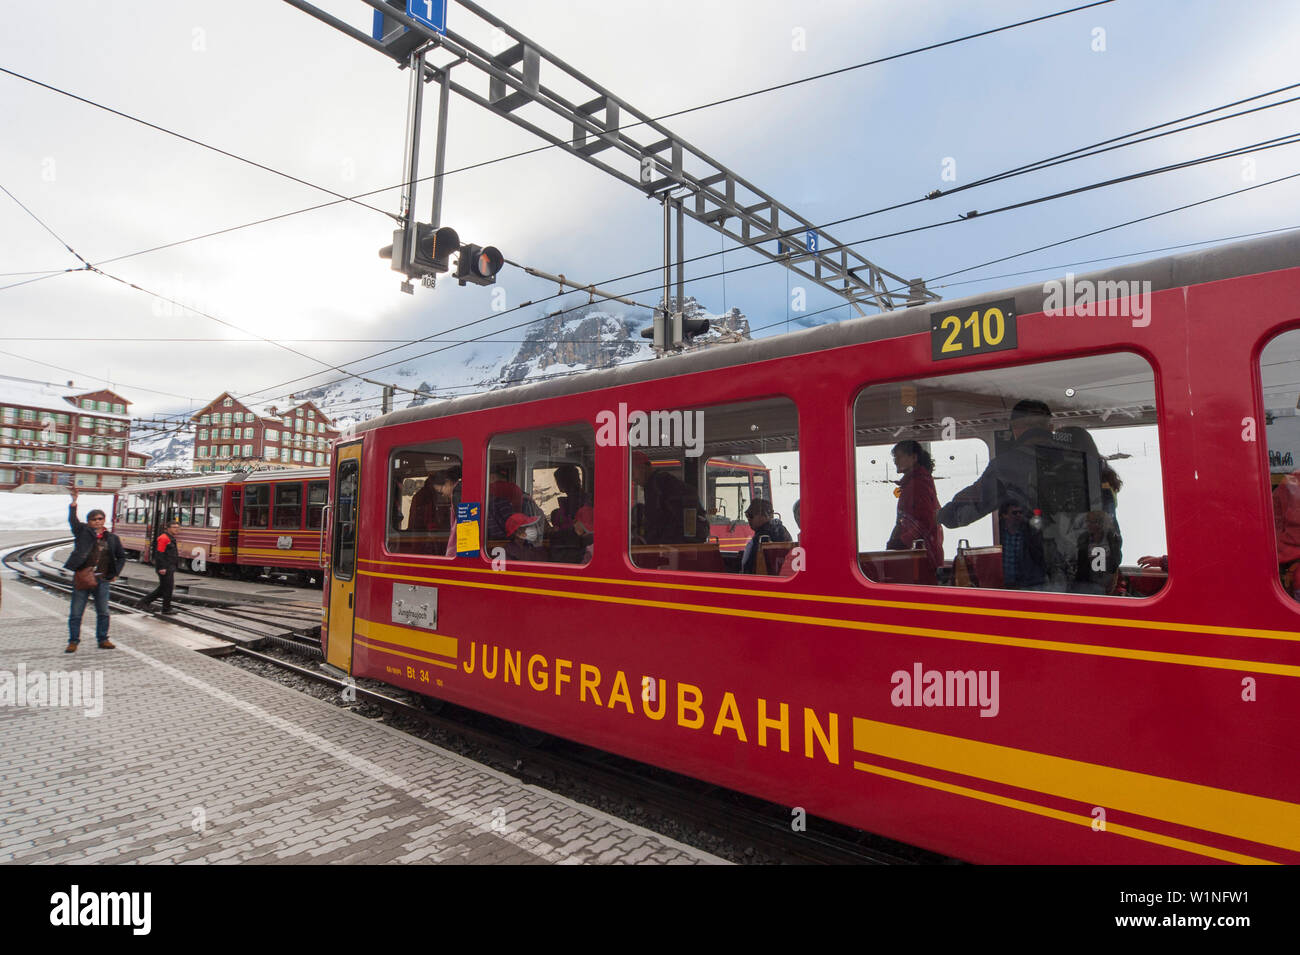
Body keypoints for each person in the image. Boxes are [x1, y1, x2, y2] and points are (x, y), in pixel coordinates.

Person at [939, 400, 1103, 589]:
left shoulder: (1007, 465)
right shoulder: (1086, 461)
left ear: (1015, 428)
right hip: (1087, 576)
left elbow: (970, 507)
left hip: (1040, 576)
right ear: (1050, 427)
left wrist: (943, 515)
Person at [64, 486, 126, 652]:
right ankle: (73, 641)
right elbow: (73, 521)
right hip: (83, 577)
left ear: (104, 520)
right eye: (94, 519)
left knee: (104, 612)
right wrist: (74, 503)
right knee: (76, 612)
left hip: (102, 579)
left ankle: (103, 639)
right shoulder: (82, 532)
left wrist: (115, 573)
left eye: (100, 519)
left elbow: (121, 556)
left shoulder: (112, 538)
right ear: (89, 522)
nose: (97, 521)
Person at [885, 440, 943, 577]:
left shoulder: (918, 484)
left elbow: (926, 521)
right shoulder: (914, 483)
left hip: (921, 557)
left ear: (914, 458)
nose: (896, 461)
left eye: (899, 456)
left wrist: (901, 542)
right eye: (895, 457)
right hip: (918, 554)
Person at [630, 451, 709, 545]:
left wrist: (646, 541)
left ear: (643, 467)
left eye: (632, 472)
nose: (632, 478)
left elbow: (655, 521)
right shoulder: (663, 481)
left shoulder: (655, 487)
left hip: (670, 546)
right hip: (681, 544)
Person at [998, 501, 1047, 589]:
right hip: (1003, 584)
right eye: (1014, 513)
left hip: (1025, 584)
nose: (1018, 515)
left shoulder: (1029, 533)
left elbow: (1038, 557)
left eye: (1020, 513)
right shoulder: (997, 533)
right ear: (1004, 515)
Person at [136, 519, 181, 614]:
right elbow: (159, 554)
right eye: (174, 527)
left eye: (178, 527)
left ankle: (144, 602)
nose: (177, 529)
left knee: (164, 588)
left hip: (169, 567)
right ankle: (165, 608)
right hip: (165, 568)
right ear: (168, 528)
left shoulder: (171, 538)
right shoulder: (163, 538)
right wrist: (162, 568)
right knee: (167, 588)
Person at [740, 499, 792, 574]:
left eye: (750, 515)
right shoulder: (783, 532)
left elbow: (748, 567)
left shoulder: (760, 539)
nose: (748, 519)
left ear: (762, 515)